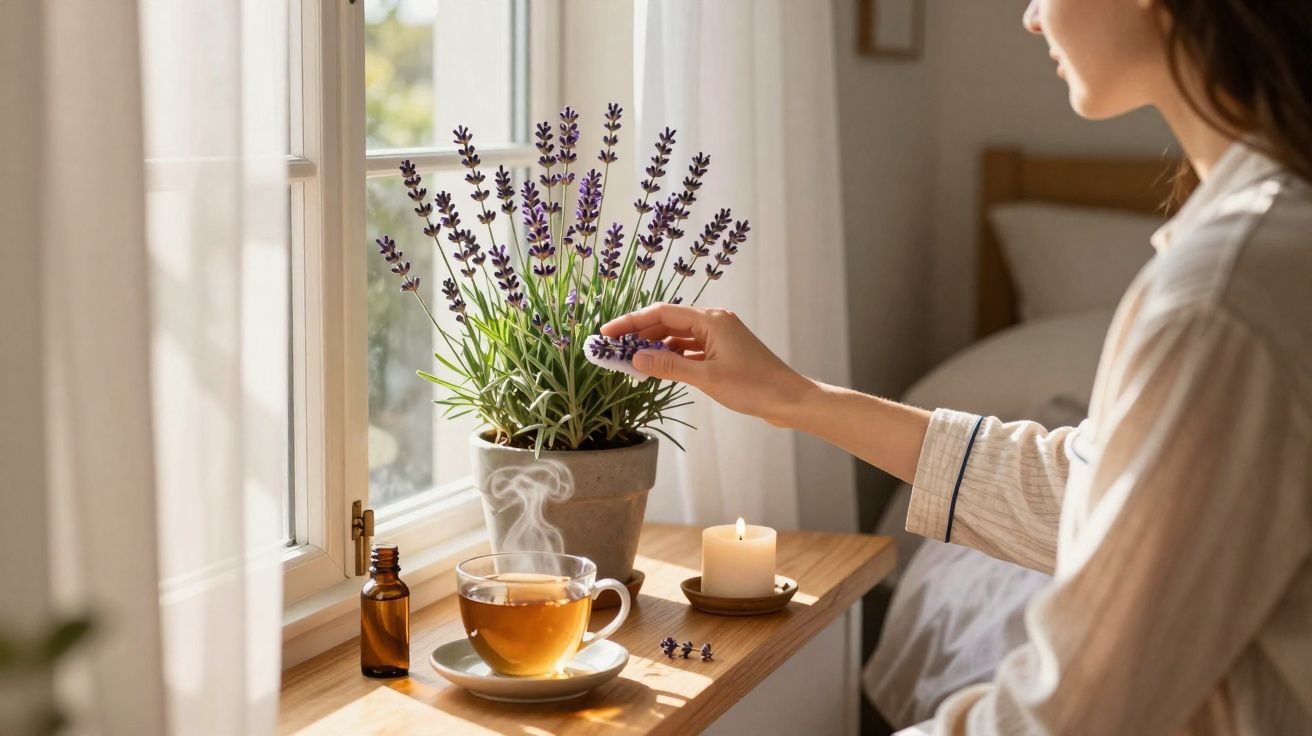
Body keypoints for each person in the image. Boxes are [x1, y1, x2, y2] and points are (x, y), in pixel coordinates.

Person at [601, 0, 1312, 733]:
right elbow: (1090, 489)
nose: (1034, 18)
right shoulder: (1267, 245)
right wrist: (795, 398)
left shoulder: (1223, 294)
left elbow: (1073, 715)